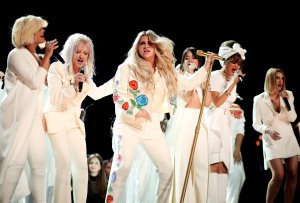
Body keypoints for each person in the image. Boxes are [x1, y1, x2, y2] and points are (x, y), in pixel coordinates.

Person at [107, 30, 214, 203]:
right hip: (128, 125)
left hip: (151, 127)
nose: (146, 46)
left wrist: (206, 66)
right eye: (142, 43)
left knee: (167, 171)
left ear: (157, 47)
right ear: (137, 47)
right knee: (122, 167)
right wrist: (135, 112)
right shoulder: (126, 68)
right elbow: (118, 96)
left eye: (150, 43)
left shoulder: (165, 70)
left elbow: (188, 84)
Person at [44, 33, 113, 203]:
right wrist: (73, 85)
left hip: (74, 124)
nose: (82, 56)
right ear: (70, 52)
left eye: (86, 53)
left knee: (81, 168)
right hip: (56, 121)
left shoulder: (86, 77)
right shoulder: (57, 68)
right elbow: (54, 99)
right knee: (64, 165)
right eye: (78, 52)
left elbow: (97, 94)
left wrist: (119, 80)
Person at [0, 15, 57, 203]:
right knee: (13, 165)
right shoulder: (16, 54)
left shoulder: (36, 58)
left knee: (39, 167)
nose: (43, 32)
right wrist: (47, 56)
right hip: (18, 119)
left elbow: (45, 84)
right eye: (40, 29)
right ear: (29, 32)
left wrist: (46, 60)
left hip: (33, 119)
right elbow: (34, 82)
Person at [167, 46, 212, 203]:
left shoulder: (202, 79)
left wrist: (205, 82)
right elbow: (185, 98)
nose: (190, 60)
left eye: (193, 57)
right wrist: (196, 77)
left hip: (200, 123)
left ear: (198, 62)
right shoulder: (179, 77)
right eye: (187, 58)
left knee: (200, 165)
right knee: (183, 164)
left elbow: (207, 103)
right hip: (184, 122)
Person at [206, 40, 246, 203]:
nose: (237, 66)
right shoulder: (215, 76)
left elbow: (226, 103)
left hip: (226, 124)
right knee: (213, 165)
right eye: (234, 62)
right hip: (213, 124)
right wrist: (232, 84)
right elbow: (215, 103)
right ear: (225, 61)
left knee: (224, 168)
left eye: (240, 63)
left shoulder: (232, 79)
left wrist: (234, 110)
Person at [252, 67, 299, 203]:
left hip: (289, 138)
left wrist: (287, 102)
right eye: (277, 78)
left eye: (282, 78)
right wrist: (268, 130)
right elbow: (255, 124)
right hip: (272, 140)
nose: (280, 81)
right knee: (278, 175)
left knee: (293, 174)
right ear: (270, 79)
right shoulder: (259, 99)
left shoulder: (288, 94)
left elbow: (292, 118)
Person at [226, 102, 246, 203]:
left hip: (233, 148)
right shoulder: (211, 105)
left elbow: (240, 129)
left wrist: (237, 148)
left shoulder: (236, 108)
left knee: (238, 175)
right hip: (215, 147)